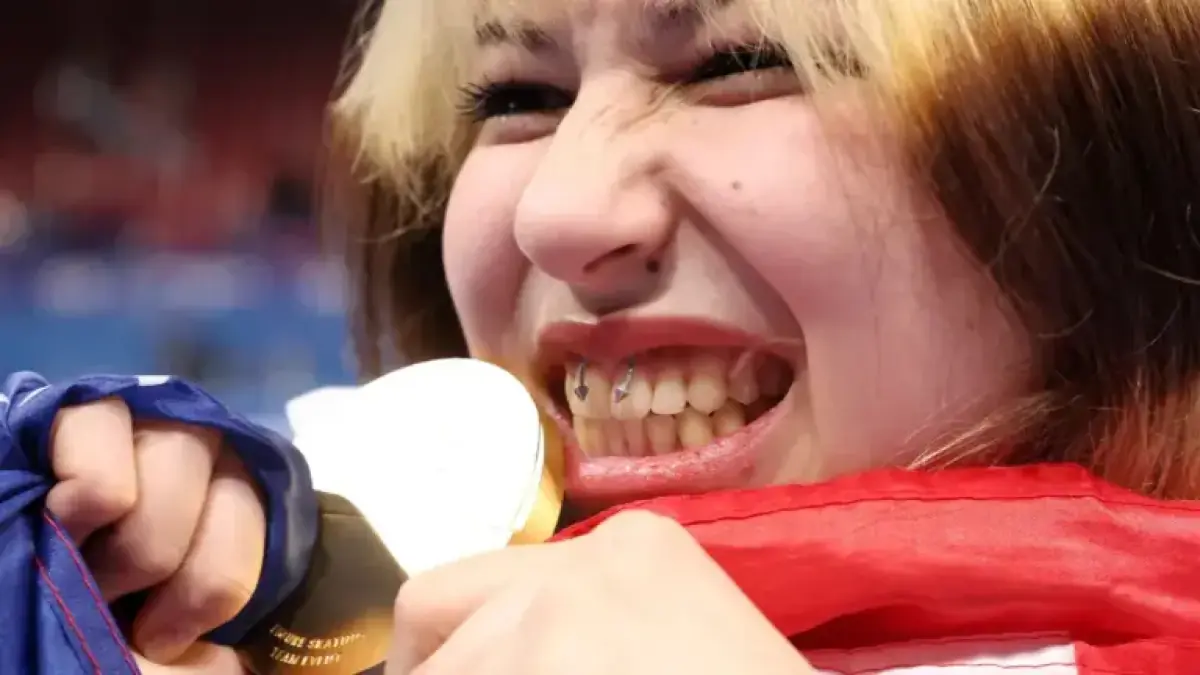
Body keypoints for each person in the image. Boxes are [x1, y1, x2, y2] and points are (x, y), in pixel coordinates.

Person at [8, 0, 1200, 672]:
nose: (558, 211)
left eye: (743, 65)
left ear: (1132, 167)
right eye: (518, 99)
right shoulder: (215, 570)